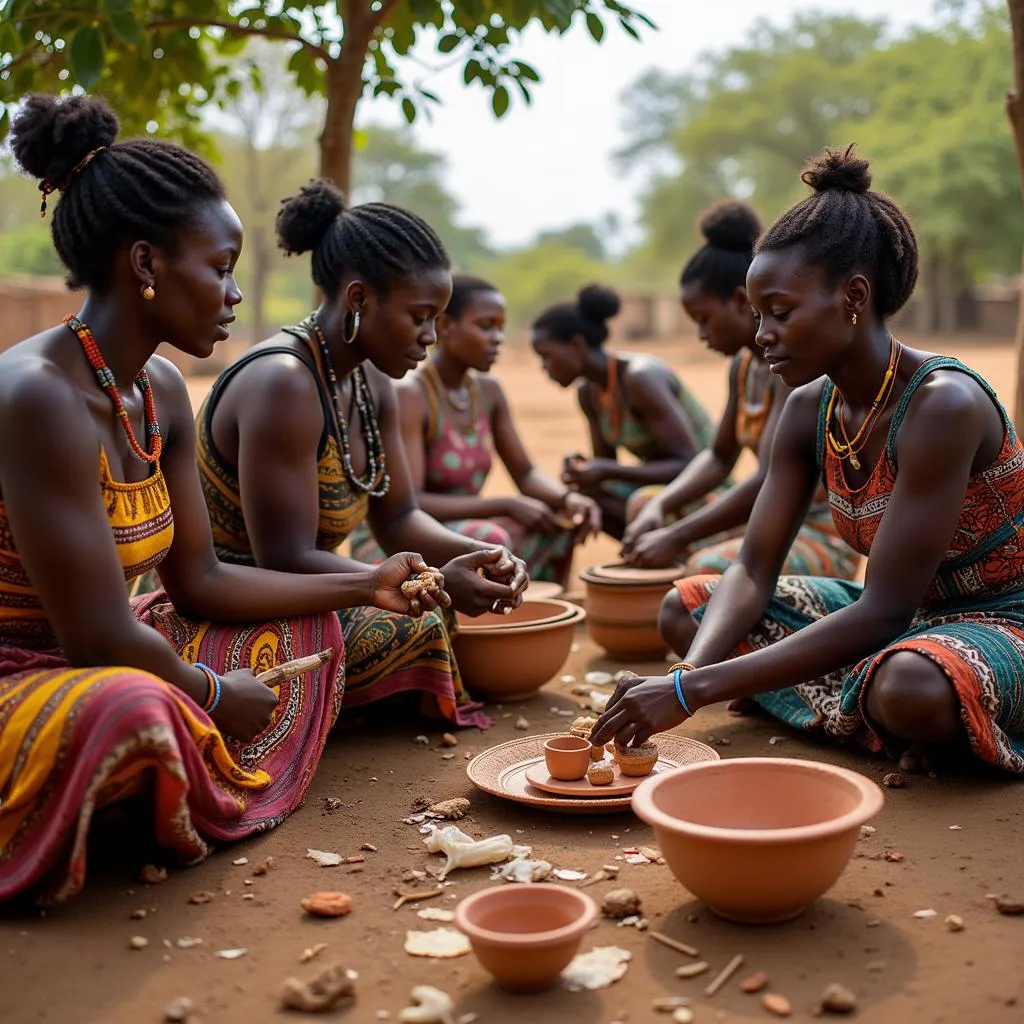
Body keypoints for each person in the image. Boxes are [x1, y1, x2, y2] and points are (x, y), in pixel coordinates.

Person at [0, 94, 450, 902]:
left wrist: (365, 583)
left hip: (105, 651)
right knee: (135, 708)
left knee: (305, 625)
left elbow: (199, 582)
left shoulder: (161, 390)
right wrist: (207, 691)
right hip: (40, 670)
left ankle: (160, 775)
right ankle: (160, 761)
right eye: (220, 268)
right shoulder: (37, 394)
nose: (236, 294)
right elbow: (99, 633)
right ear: (144, 264)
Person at [593, 145, 1024, 776]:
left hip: (1000, 617)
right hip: (917, 620)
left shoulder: (941, 406)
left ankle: (890, 707)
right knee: (686, 610)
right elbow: (752, 566)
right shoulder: (806, 409)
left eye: (780, 312)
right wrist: (690, 672)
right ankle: (870, 710)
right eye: (758, 313)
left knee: (909, 688)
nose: (762, 333)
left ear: (853, 296)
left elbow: (883, 610)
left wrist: (692, 693)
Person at [196, 182, 528, 731]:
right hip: (236, 602)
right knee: (409, 628)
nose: (429, 337)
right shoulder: (284, 383)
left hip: (311, 595)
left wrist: (478, 552)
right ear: (359, 299)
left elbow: (397, 515)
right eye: (419, 317)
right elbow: (286, 559)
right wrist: (438, 584)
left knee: (422, 623)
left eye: (436, 320)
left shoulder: (371, 381)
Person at [620, 202, 859, 582]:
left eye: (704, 319)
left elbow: (769, 477)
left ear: (738, 301)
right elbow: (718, 456)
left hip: (813, 531)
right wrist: (662, 506)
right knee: (645, 505)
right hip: (766, 518)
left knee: (707, 568)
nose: (701, 335)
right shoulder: (745, 367)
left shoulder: (792, 369)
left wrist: (677, 534)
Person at [349, 275, 602, 586]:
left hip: (461, 526)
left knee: (556, 526)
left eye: (500, 327)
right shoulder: (413, 395)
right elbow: (411, 503)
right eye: (485, 326)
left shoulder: (488, 392)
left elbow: (524, 472)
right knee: (492, 540)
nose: (497, 338)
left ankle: (535, 616)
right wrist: (506, 504)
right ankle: (486, 625)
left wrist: (566, 500)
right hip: (396, 538)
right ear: (445, 326)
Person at [531, 284, 716, 540]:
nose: (545, 368)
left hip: (702, 486)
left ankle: (665, 560)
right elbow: (606, 468)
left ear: (576, 345)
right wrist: (585, 470)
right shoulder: (589, 393)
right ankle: (647, 561)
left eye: (547, 356)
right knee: (584, 500)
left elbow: (688, 462)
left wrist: (605, 469)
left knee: (642, 502)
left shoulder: (640, 378)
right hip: (661, 486)